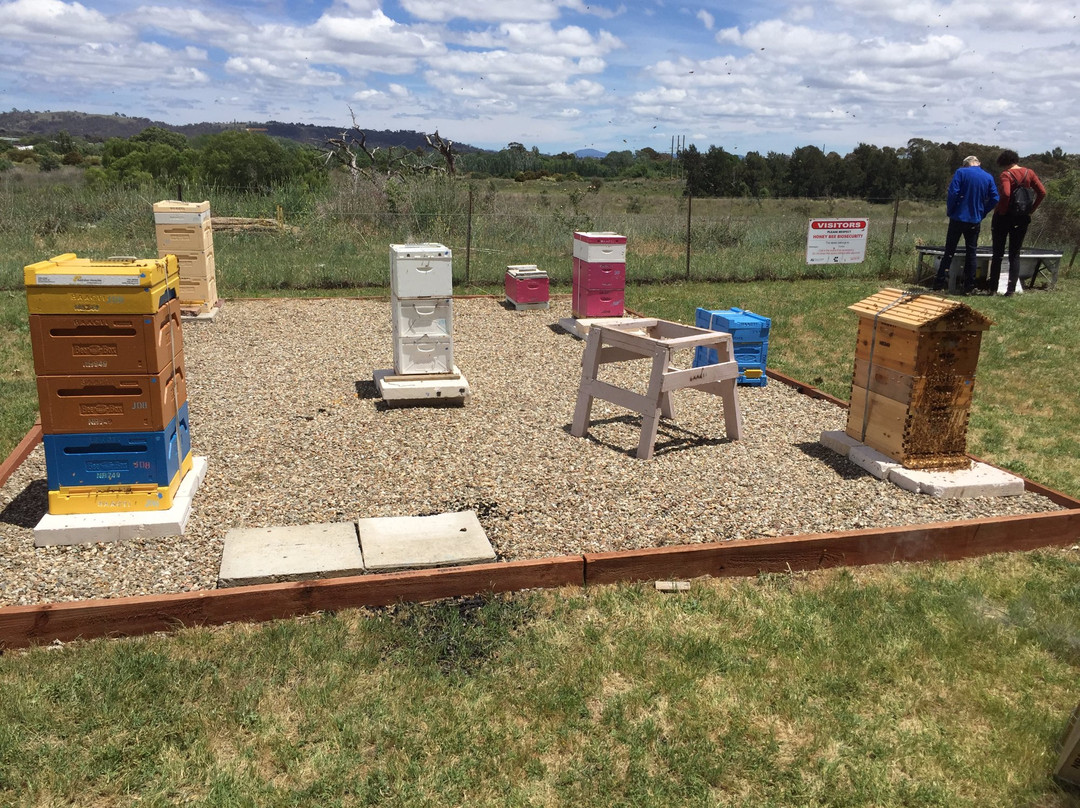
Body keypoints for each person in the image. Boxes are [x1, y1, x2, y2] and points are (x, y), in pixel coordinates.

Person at [933, 156, 999, 294]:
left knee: (949, 250)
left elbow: (953, 192)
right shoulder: (988, 177)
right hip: (974, 219)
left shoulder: (961, 172)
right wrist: (983, 212)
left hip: (958, 217)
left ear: (965, 164)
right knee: (971, 252)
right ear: (978, 163)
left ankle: (939, 283)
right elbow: (995, 198)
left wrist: (951, 210)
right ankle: (969, 286)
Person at [989, 149, 1047, 296]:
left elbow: (1006, 193)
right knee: (1014, 254)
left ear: (1004, 162)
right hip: (1022, 217)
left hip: (1004, 217)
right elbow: (1042, 192)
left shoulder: (1006, 174)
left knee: (998, 253)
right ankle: (1011, 289)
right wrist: (1031, 210)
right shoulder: (1029, 173)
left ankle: (992, 288)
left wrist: (1002, 210)